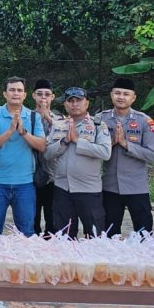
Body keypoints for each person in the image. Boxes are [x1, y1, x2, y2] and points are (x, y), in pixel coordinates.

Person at [44, 87, 112, 238]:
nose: (74, 104)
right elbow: (47, 153)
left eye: (78, 100)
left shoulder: (98, 125)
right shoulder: (59, 125)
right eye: (71, 101)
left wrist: (77, 141)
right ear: (65, 105)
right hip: (62, 188)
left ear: (87, 103)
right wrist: (64, 141)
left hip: (89, 189)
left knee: (94, 237)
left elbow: (105, 152)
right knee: (64, 237)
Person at [0, 77, 47, 236]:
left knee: (26, 233)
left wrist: (23, 132)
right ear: (5, 94)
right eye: (12, 90)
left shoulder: (33, 116)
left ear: (25, 95)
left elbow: (41, 146)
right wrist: (10, 130)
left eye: (19, 90)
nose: (16, 93)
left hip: (25, 183)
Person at [99, 77, 154, 234]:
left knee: (143, 235)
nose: (121, 97)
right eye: (117, 93)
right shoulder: (100, 119)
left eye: (126, 94)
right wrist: (112, 142)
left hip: (137, 187)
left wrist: (126, 144)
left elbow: (152, 155)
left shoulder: (145, 121)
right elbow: (94, 152)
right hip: (110, 186)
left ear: (133, 98)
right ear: (111, 95)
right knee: (109, 235)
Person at [31, 79, 62, 235]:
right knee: (32, 217)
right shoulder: (27, 116)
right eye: (39, 94)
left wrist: (48, 118)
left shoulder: (60, 119)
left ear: (52, 97)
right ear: (33, 96)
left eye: (47, 94)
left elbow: (64, 137)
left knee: (53, 218)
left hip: (54, 174)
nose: (43, 97)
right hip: (31, 173)